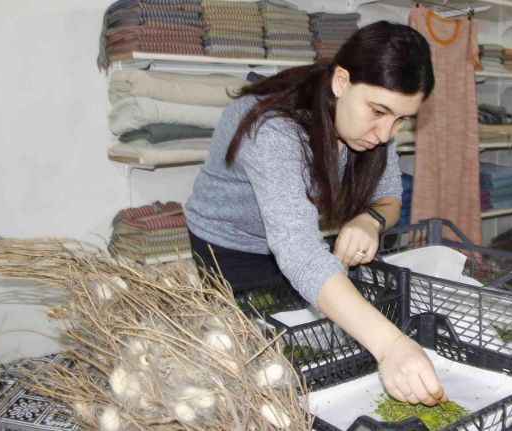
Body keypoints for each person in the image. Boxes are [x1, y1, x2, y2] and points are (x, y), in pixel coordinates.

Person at [184, 20, 445, 406]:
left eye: (401, 119)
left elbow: (390, 195)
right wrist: (391, 347)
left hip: (297, 243)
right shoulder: (272, 130)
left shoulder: (374, 126)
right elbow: (300, 254)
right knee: (251, 367)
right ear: (341, 82)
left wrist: (369, 220)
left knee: (310, 355)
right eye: (378, 111)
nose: (386, 133)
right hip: (229, 251)